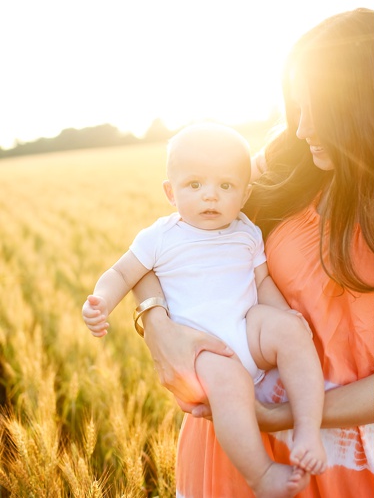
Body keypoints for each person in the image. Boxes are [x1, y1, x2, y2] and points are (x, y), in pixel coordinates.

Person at [132, 8, 374, 497]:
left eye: (317, 110)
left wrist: (285, 414)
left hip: (335, 461)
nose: (303, 127)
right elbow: (163, 245)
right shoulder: (286, 161)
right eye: (296, 107)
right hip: (238, 451)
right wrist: (157, 326)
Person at [81, 123, 326, 496]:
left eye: (225, 187)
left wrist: (283, 315)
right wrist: (100, 300)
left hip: (246, 328)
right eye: (194, 186)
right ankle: (262, 476)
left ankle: (309, 431)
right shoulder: (160, 237)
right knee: (229, 383)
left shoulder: (247, 232)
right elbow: (122, 273)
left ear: (245, 194)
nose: (210, 197)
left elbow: (261, 283)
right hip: (203, 348)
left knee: (291, 331)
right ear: (170, 192)